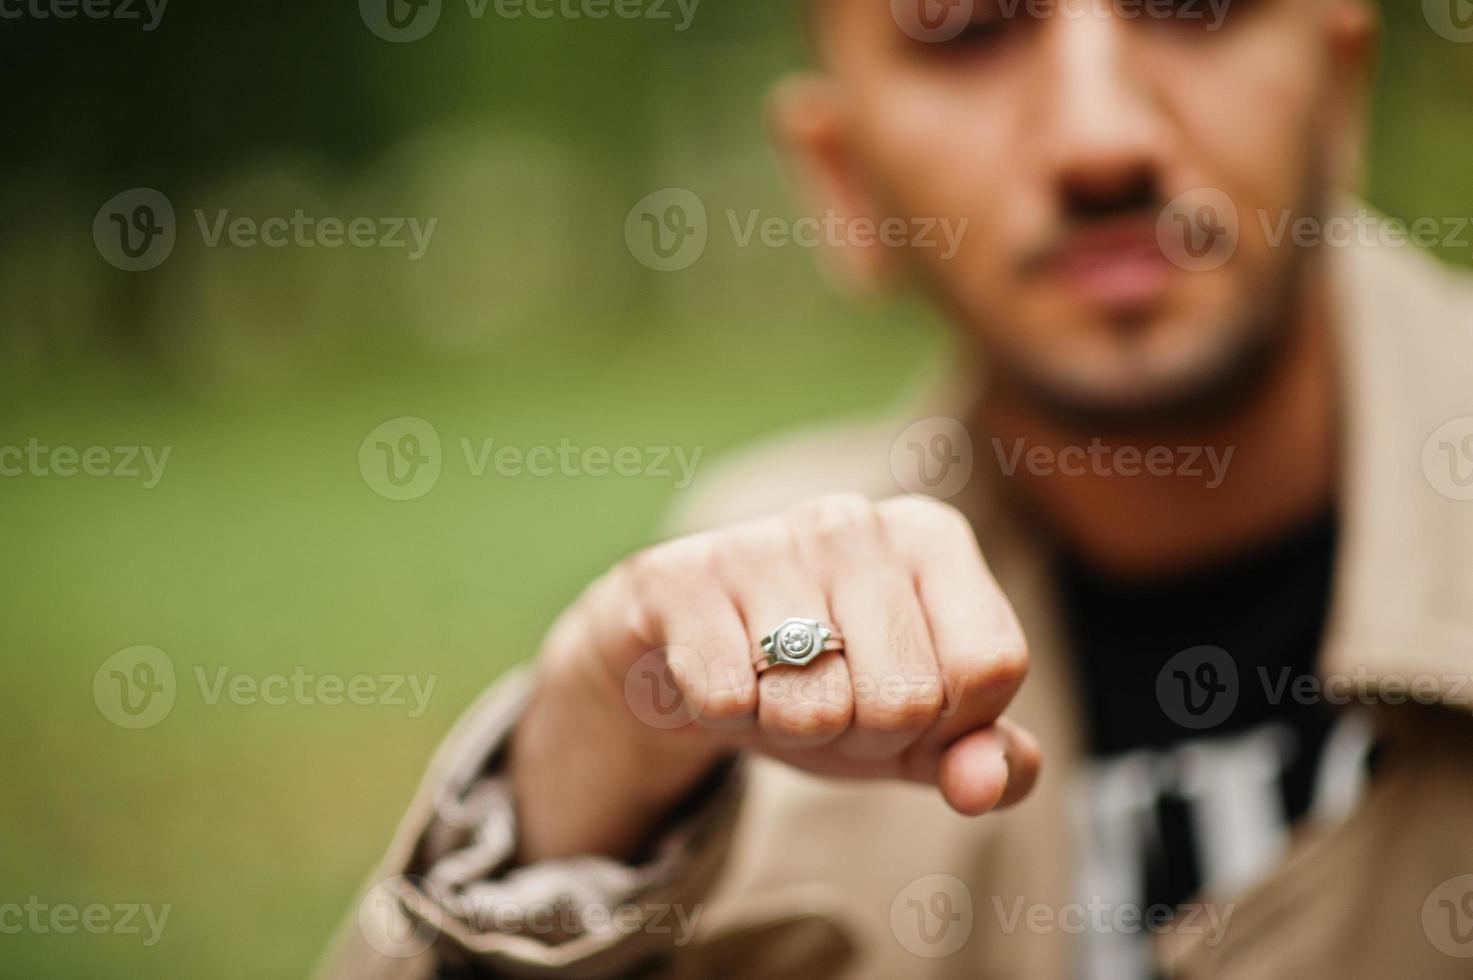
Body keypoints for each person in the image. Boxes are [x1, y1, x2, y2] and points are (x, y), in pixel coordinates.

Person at [321, 1, 1473, 976]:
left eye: (1193, 5)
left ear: (1340, 79)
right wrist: (570, 808)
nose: (1101, 136)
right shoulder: (736, 666)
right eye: (960, 27)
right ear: (842, 179)